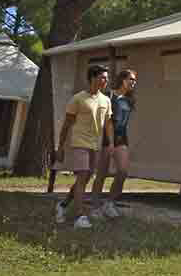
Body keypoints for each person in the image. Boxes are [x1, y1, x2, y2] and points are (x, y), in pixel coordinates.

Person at [54, 65, 113, 229]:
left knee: (85, 178)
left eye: (106, 78)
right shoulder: (78, 99)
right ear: (92, 78)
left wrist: (111, 144)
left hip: (95, 145)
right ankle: (80, 216)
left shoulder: (106, 100)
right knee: (82, 177)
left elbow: (108, 124)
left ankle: (63, 205)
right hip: (79, 143)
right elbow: (66, 125)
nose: (106, 81)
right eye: (103, 77)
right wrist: (60, 148)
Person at [91, 68, 136, 218]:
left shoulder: (130, 99)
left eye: (134, 80)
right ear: (122, 80)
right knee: (102, 174)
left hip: (122, 139)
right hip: (106, 139)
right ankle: (95, 206)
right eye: (131, 79)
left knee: (123, 171)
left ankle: (109, 203)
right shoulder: (109, 96)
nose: (133, 82)